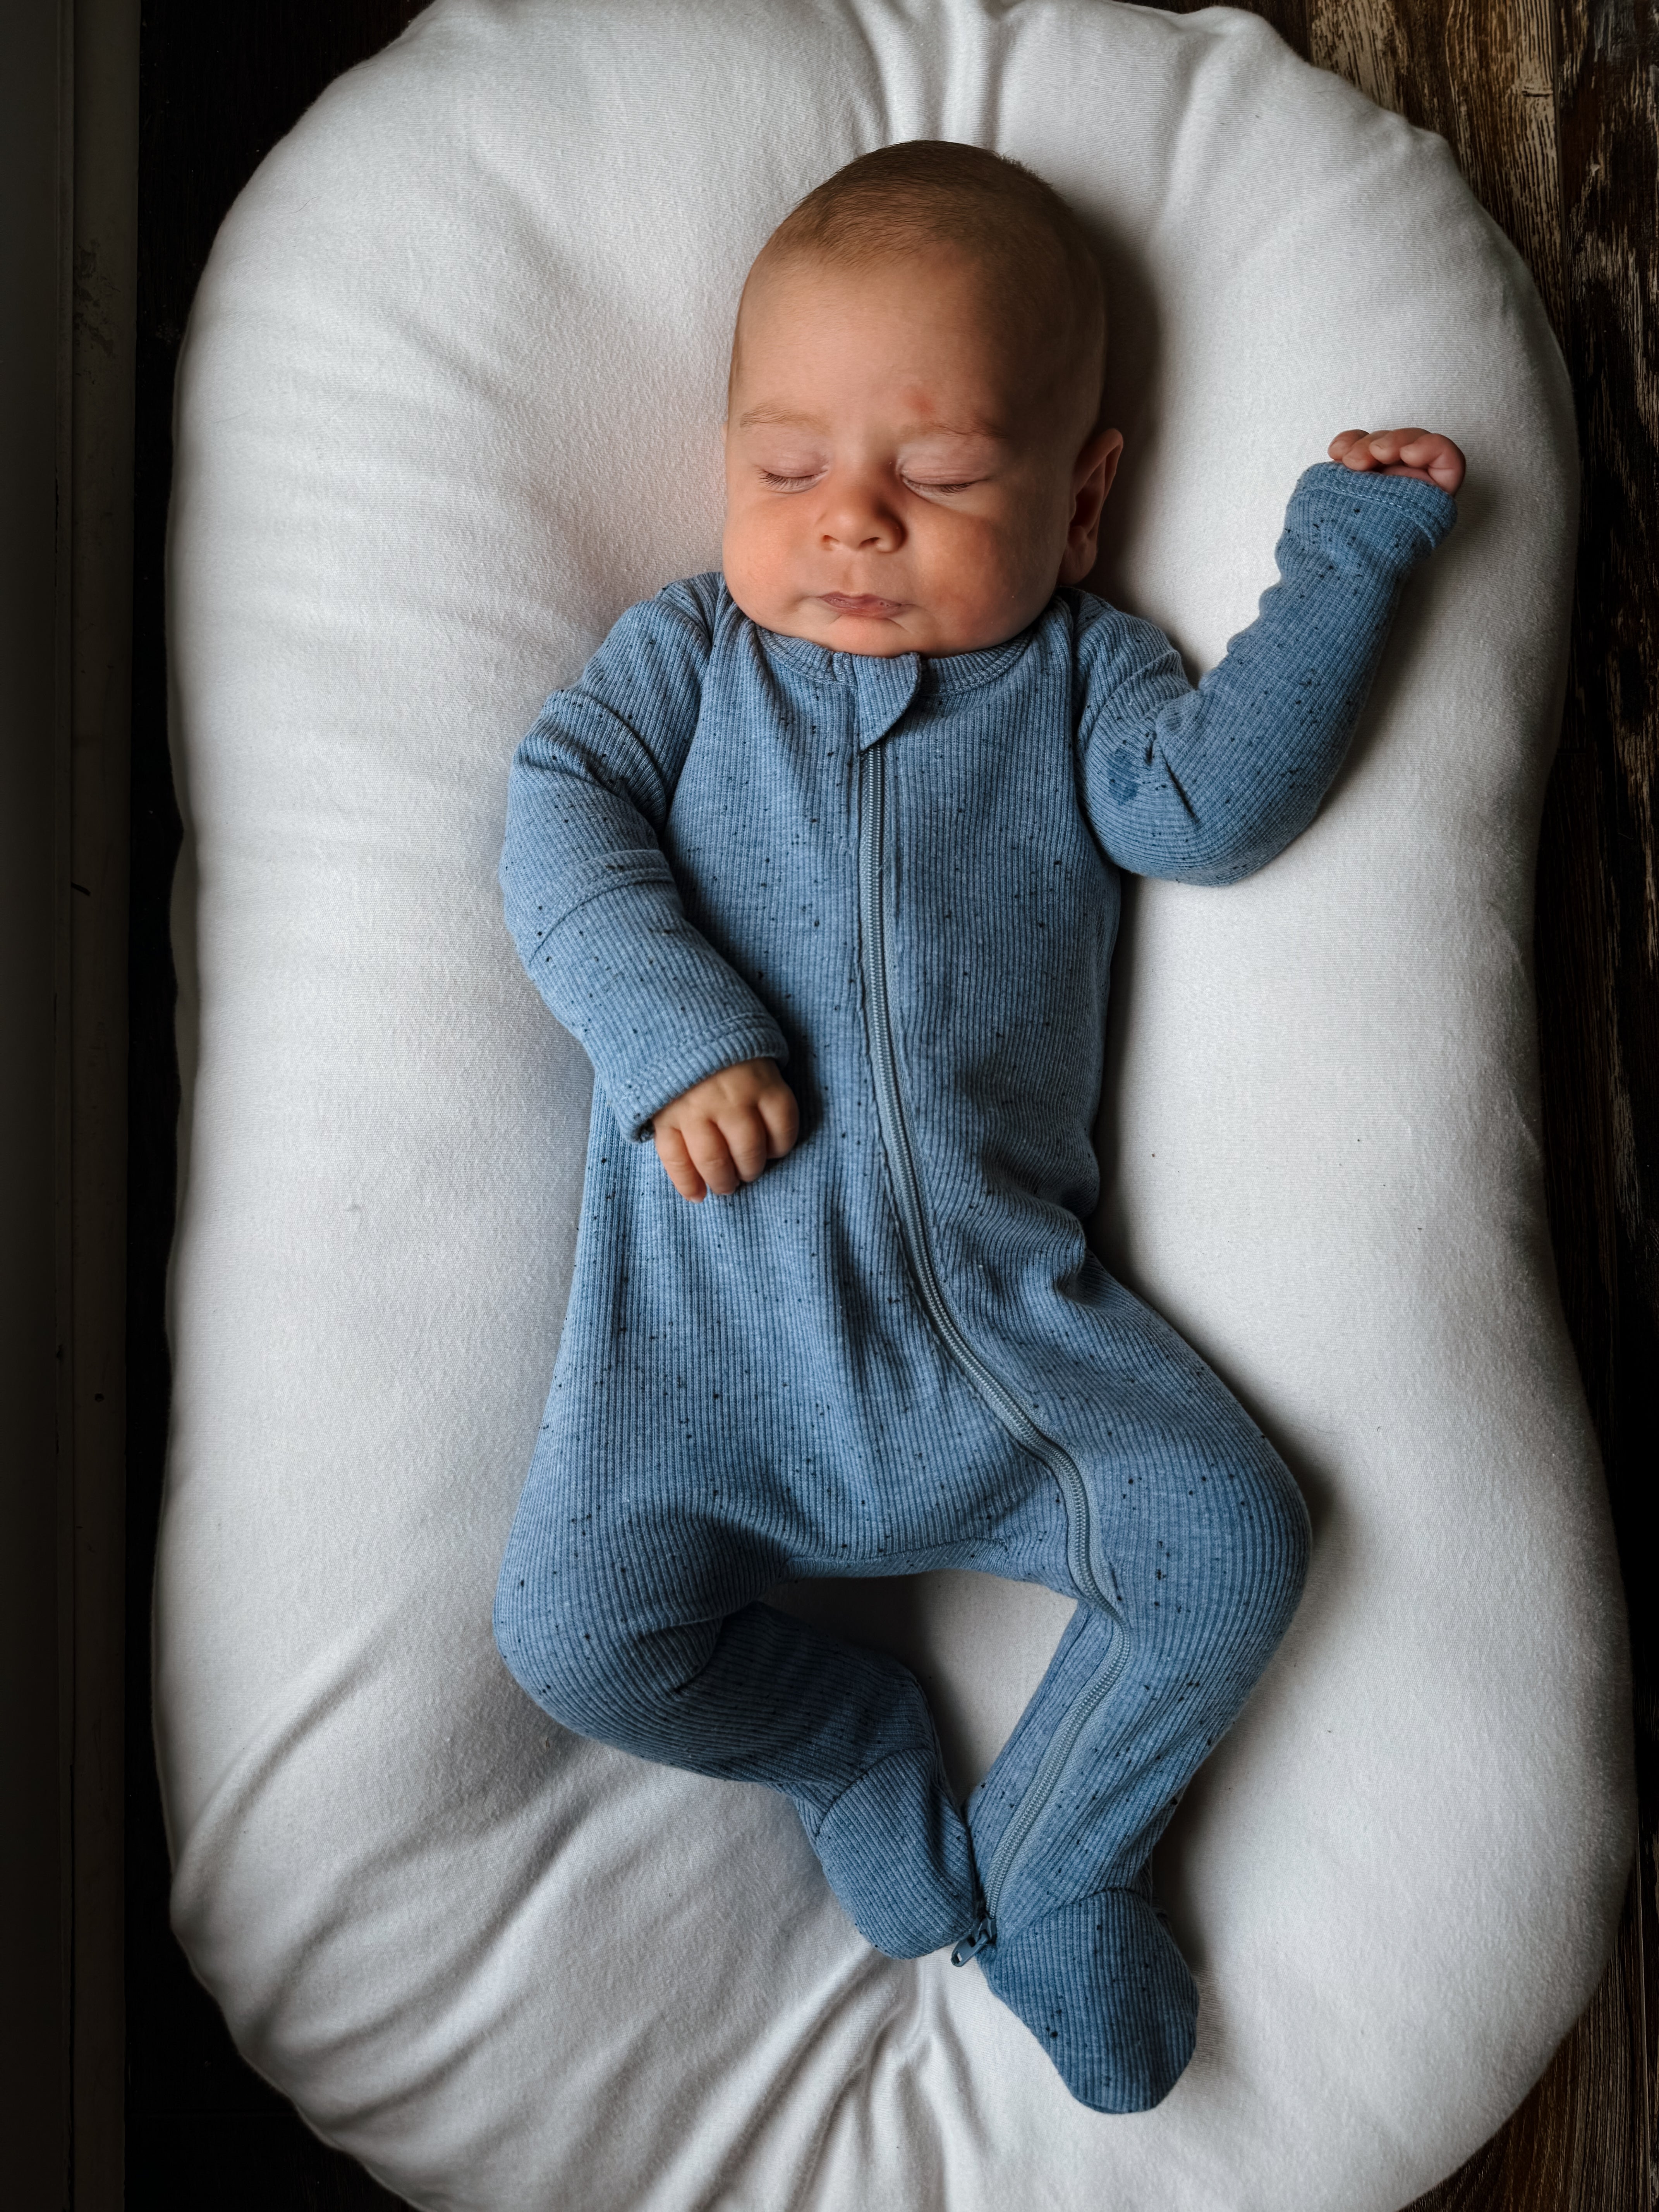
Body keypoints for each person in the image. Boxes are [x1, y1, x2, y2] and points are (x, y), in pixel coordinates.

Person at [493, 140, 1462, 2112]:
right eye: (787, 469)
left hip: (1012, 1358)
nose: (851, 522)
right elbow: (550, 824)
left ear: (1082, 498)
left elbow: (1213, 809)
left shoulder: (1079, 679)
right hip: (705, 1377)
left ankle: (1057, 1858)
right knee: (576, 1640)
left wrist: (1345, 561)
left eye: (934, 478)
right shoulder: (687, 667)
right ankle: (851, 1744)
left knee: (1230, 1544)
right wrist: (676, 1038)